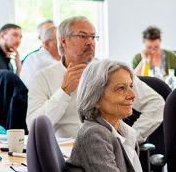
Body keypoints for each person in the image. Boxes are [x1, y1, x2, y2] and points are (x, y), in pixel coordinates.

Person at [28, 16, 164, 139]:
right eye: (82, 36)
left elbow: (157, 104)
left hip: (105, 149)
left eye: (93, 37)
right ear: (64, 41)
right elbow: (33, 126)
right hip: (64, 155)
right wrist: (63, 92)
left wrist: (131, 138)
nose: (90, 42)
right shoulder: (44, 77)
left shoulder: (111, 71)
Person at [19, 21, 60, 88]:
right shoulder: (44, 62)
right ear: (46, 44)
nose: (63, 46)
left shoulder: (33, 56)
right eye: (59, 42)